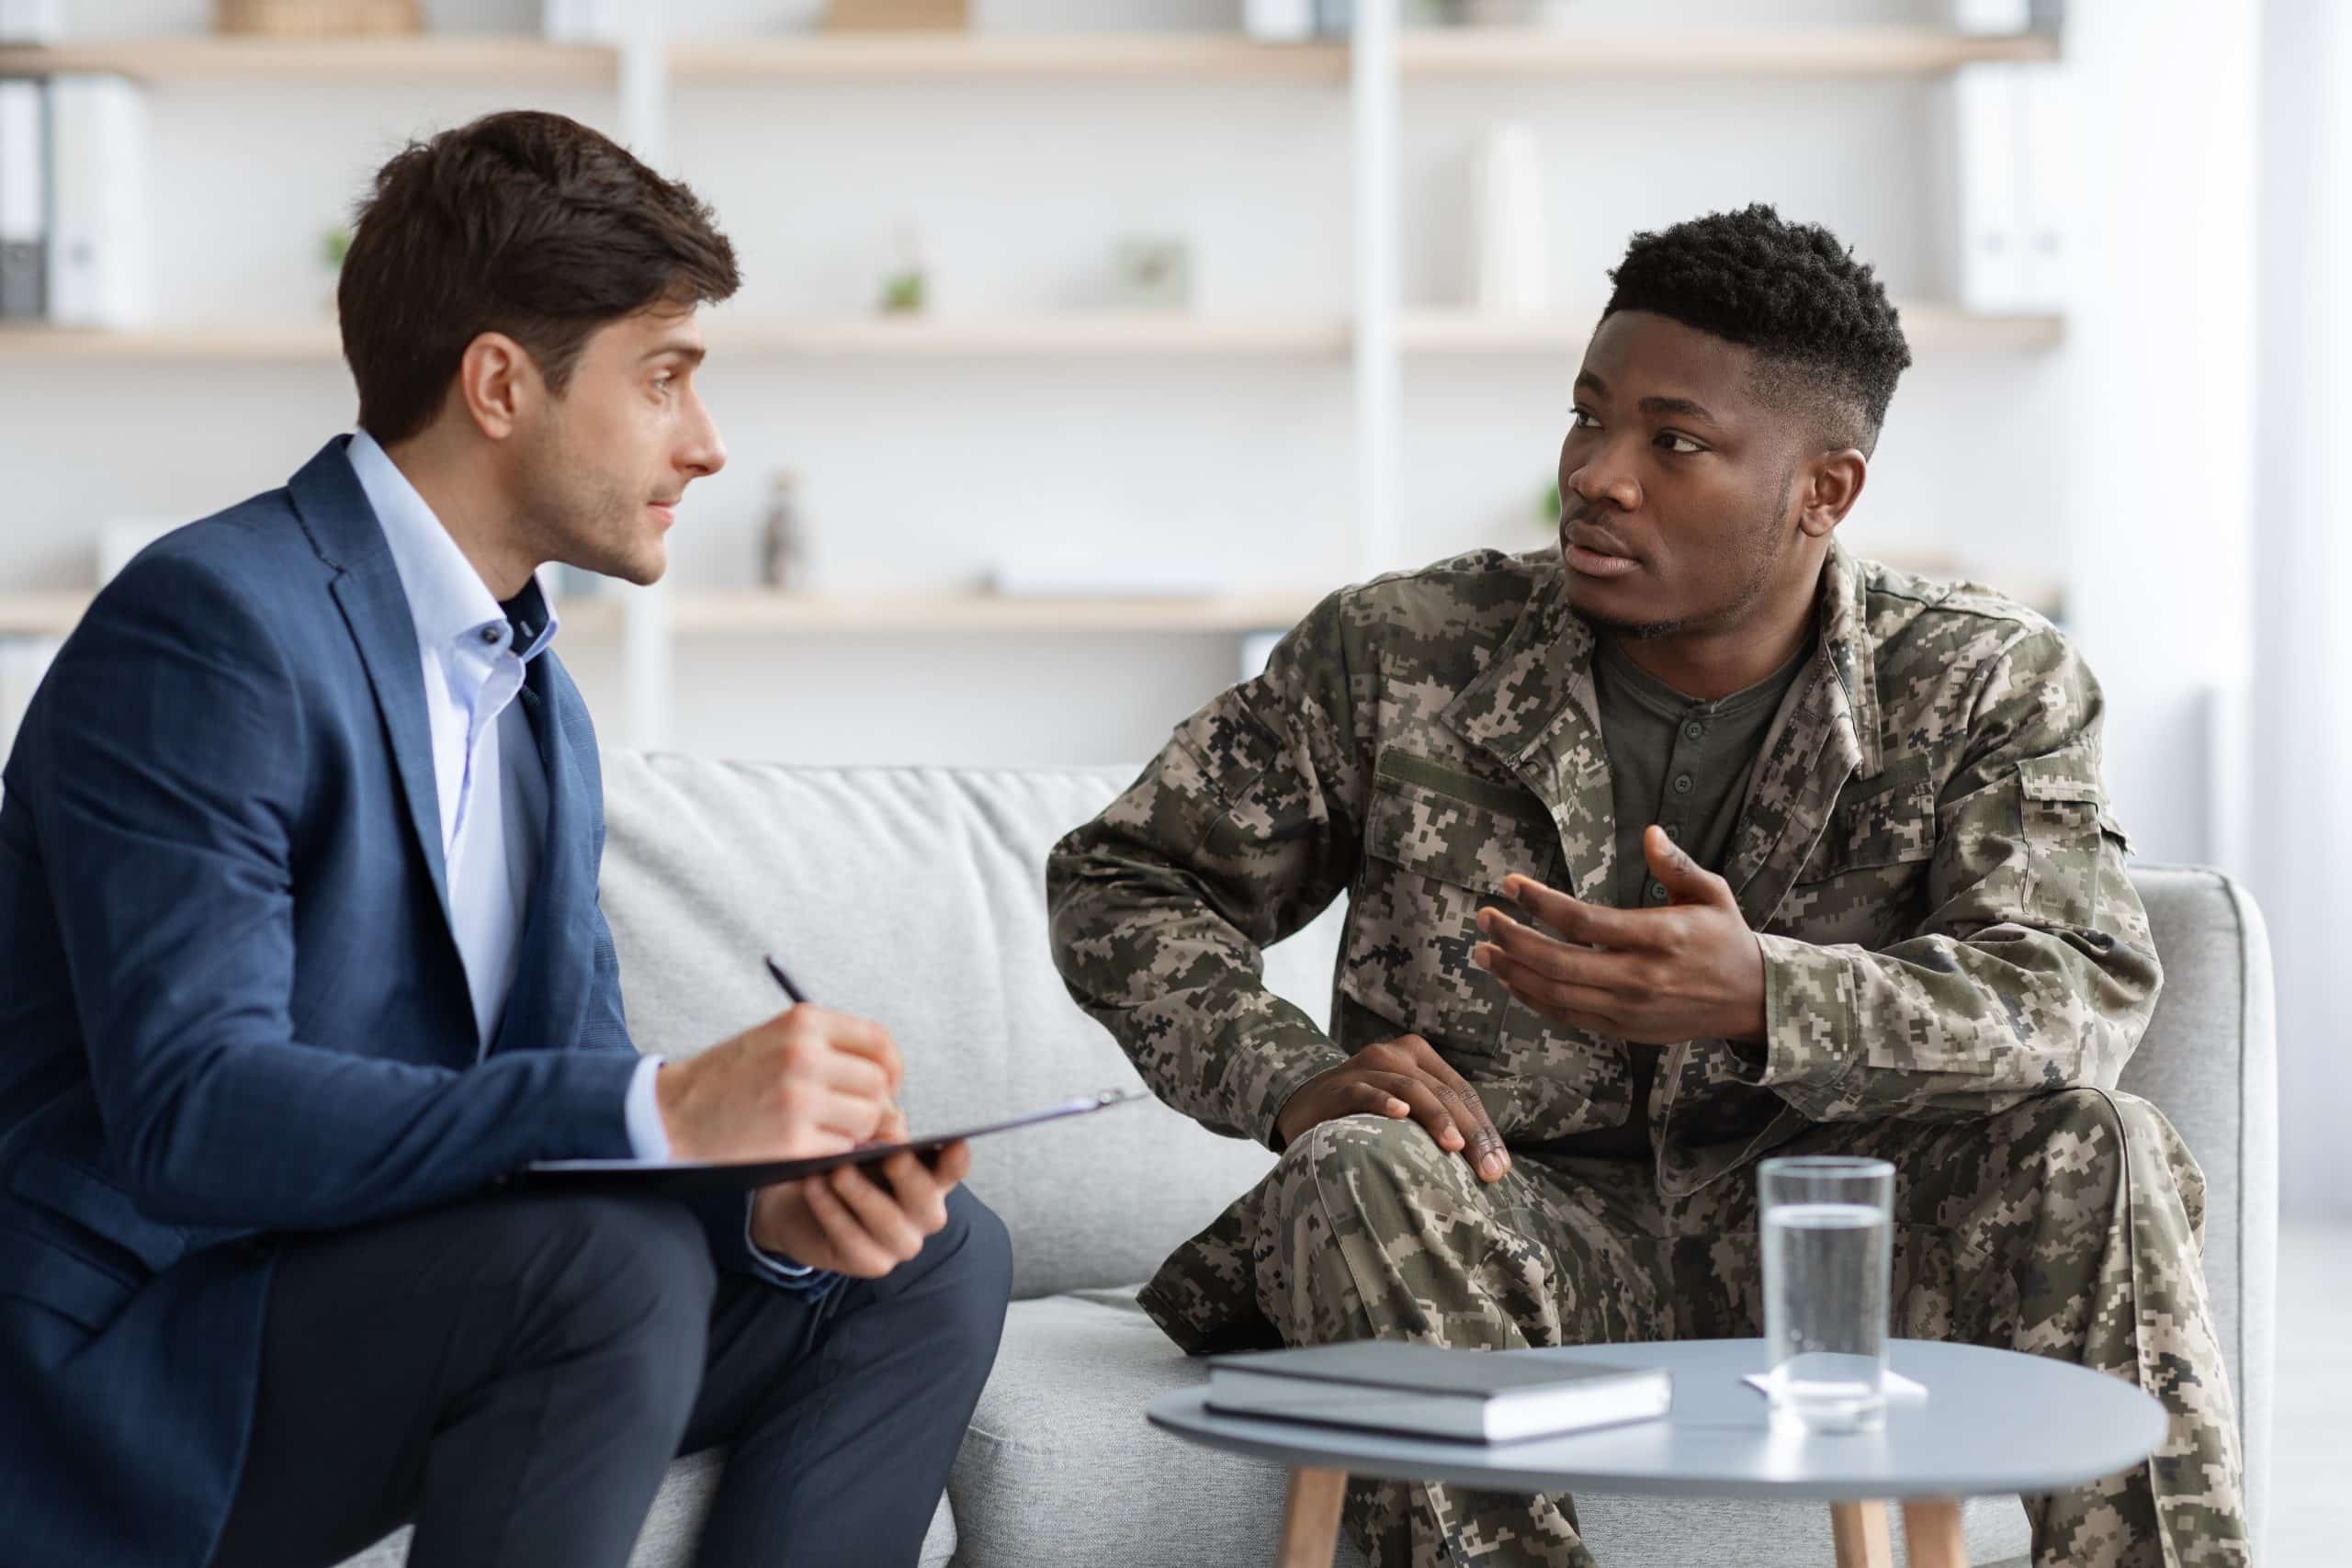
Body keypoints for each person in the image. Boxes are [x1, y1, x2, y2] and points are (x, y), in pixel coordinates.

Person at [1046, 205, 2245, 1568]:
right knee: (1361, 1166)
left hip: (1839, 1250)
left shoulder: (1979, 681)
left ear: (1825, 491)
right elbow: (1125, 880)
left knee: (2105, 1145)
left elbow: (2074, 991)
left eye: (1674, 442)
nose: (1598, 475)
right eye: (1588, 417)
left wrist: (1767, 996)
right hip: (1505, 1232)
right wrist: (1288, 1075)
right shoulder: (1397, 653)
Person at [0, 109, 1009, 1568]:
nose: (707, 445)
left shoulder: (532, 695)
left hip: (413, 1294)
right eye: (663, 379)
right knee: (599, 1269)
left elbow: (574, 1092)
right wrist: (667, 1109)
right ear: (497, 385)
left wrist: (772, 1216)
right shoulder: (214, 627)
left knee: (923, 1257)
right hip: (154, 1353)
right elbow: (194, 1114)